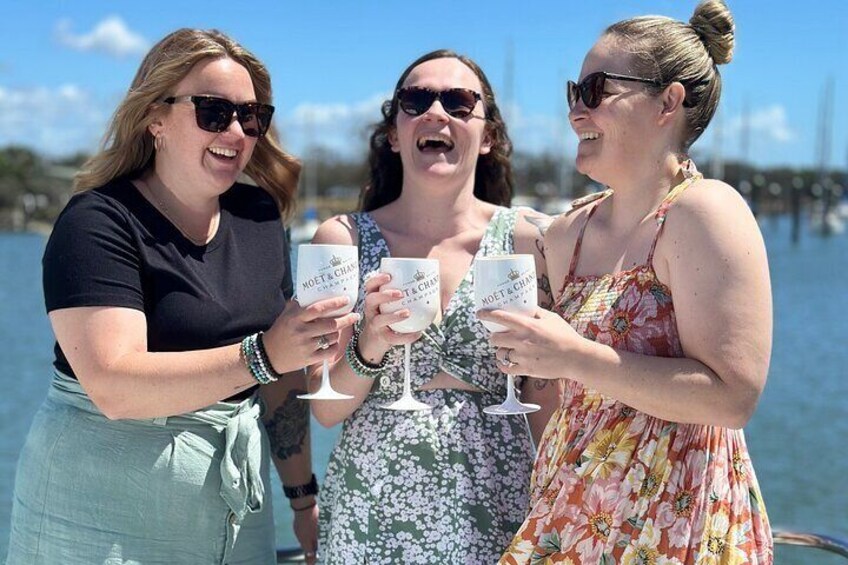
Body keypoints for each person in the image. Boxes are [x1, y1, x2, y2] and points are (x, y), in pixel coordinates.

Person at [6, 28, 358, 564]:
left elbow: (283, 379)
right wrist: (263, 354)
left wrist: (303, 500)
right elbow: (114, 385)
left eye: (251, 115)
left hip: (238, 506)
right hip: (97, 510)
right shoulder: (96, 222)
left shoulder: (261, 217)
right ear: (155, 117)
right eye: (214, 111)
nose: (237, 130)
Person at [486, 2, 774, 563]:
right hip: (568, 520)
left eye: (596, 90)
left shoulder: (704, 212)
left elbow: (734, 397)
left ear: (668, 101)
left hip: (677, 523)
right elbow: (551, 391)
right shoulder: (567, 230)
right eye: (574, 91)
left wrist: (574, 356)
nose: (575, 112)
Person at [305, 50, 561, 563]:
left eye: (460, 102)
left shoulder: (531, 241)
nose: (436, 112)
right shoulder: (340, 240)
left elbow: (547, 403)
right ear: (395, 134)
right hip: (373, 507)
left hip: (499, 500)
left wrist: (563, 512)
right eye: (416, 100)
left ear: (488, 137)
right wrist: (370, 344)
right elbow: (325, 407)